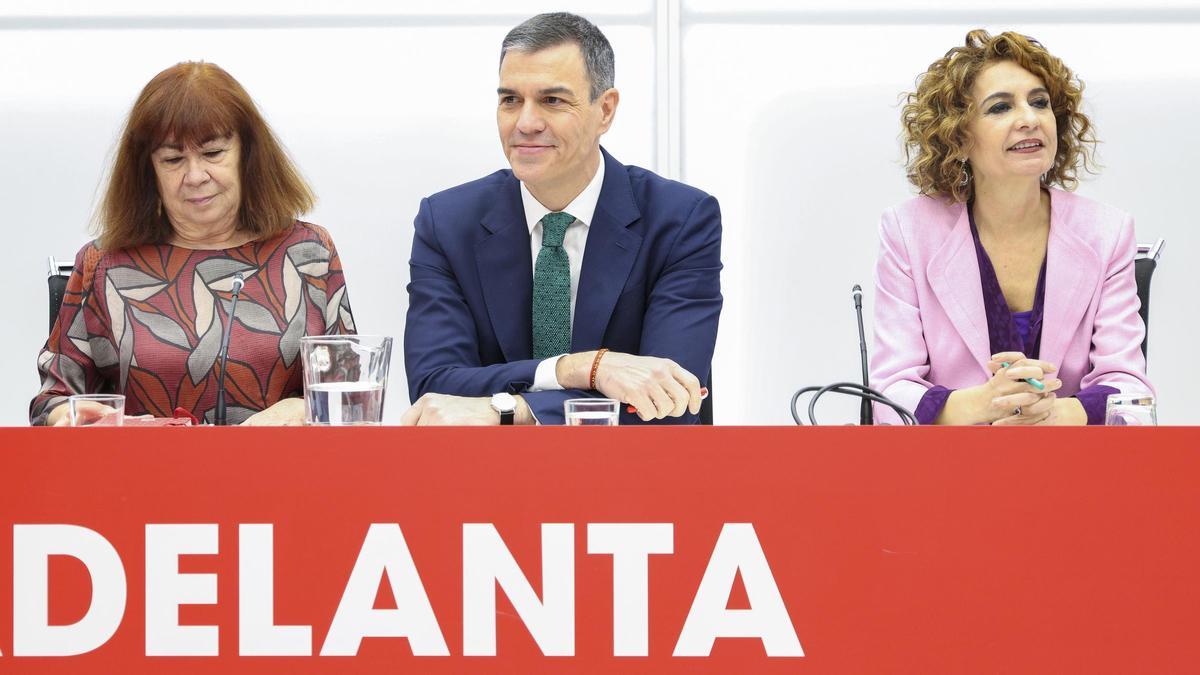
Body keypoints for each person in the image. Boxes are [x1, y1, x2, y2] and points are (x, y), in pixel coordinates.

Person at [402, 12, 722, 425]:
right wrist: (579, 368)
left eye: (552, 101)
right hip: (486, 467)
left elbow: (671, 402)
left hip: (632, 465)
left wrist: (514, 411)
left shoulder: (680, 220)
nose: (526, 123)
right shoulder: (447, 222)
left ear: (605, 110)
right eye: (510, 100)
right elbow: (434, 389)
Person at [31, 62, 355, 426]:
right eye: (173, 160)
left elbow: (352, 399)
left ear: (247, 154)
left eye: (213, 153)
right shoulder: (103, 265)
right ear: (148, 171)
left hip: (284, 463)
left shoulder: (308, 253)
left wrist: (305, 409)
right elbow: (51, 403)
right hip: (147, 463)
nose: (196, 176)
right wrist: (70, 417)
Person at [871, 29, 1153, 426]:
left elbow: (1131, 394)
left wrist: (1051, 413)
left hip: (1070, 458)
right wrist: (986, 403)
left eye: (1039, 103)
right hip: (950, 460)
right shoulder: (909, 231)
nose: (1030, 119)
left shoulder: (1107, 232)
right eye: (1000, 107)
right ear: (959, 137)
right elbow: (889, 394)